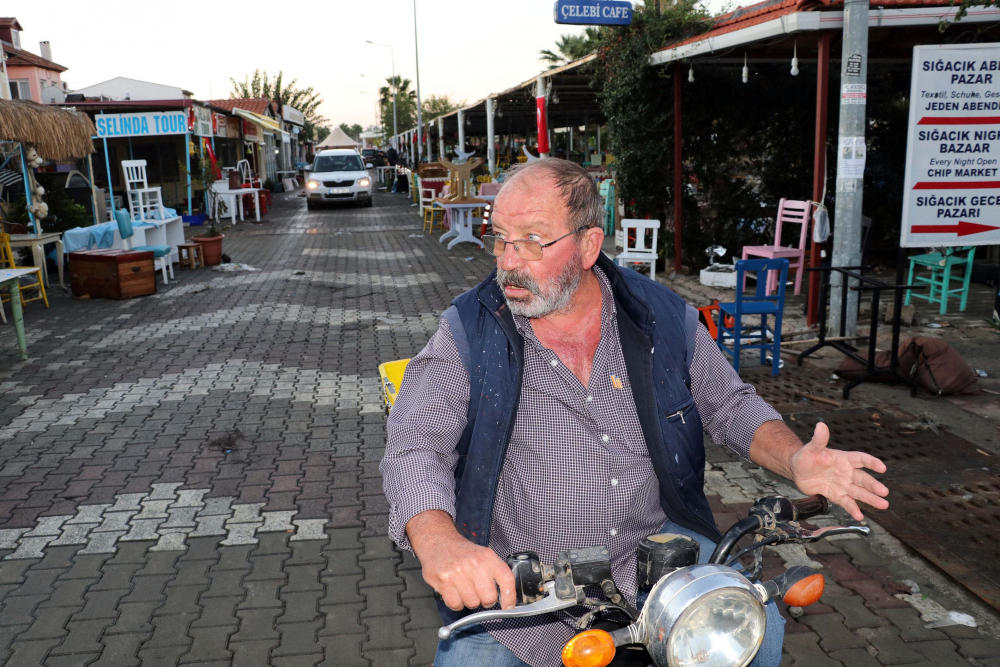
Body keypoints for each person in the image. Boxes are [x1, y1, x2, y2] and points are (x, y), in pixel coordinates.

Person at [381, 159, 890, 667]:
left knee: (759, 631)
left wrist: (796, 458)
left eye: (533, 239)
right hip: (520, 594)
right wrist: (440, 542)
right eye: (501, 238)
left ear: (587, 246)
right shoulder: (468, 331)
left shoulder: (661, 318)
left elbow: (729, 403)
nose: (508, 261)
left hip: (652, 566)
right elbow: (414, 445)